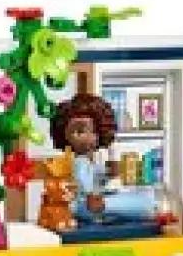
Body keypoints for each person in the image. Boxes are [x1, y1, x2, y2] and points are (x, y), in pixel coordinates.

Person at [50, 93, 155, 223]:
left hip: (90, 203)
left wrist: (108, 172)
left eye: (94, 131)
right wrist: (91, 194)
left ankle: (109, 208)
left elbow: (98, 175)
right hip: (84, 205)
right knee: (142, 203)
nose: (87, 136)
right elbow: (82, 181)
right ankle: (107, 206)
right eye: (79, 131)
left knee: (140, 198)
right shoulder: (79, 162)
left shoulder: (89, 162)